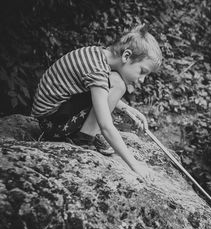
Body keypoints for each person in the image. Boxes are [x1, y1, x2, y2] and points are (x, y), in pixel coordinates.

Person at [31, 24, 162, 179]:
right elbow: (106, 125)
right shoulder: (98, 72)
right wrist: (135, 165)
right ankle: (83, 139)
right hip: (53, 124)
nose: (141, 79)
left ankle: (86, 133)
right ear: (126, 56)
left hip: (52, 116)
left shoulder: (96, 55)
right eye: (143, 71)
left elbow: (96, 92)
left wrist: (127, 109)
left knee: (115, 80)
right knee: (118, 83)